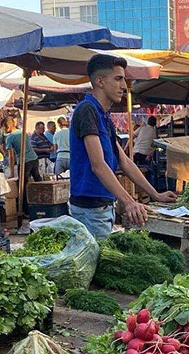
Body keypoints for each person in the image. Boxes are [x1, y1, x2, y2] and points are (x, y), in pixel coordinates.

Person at [69, 54, 177, 240]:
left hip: (102, 207)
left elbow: (124, 161)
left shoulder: (103, 115)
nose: (124, 86)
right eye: (118, 79)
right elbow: (98, 165)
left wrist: (155, 194)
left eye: (124, 80)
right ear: (100, 81)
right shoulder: (87, 110)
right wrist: (129, 202)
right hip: (90, 209)